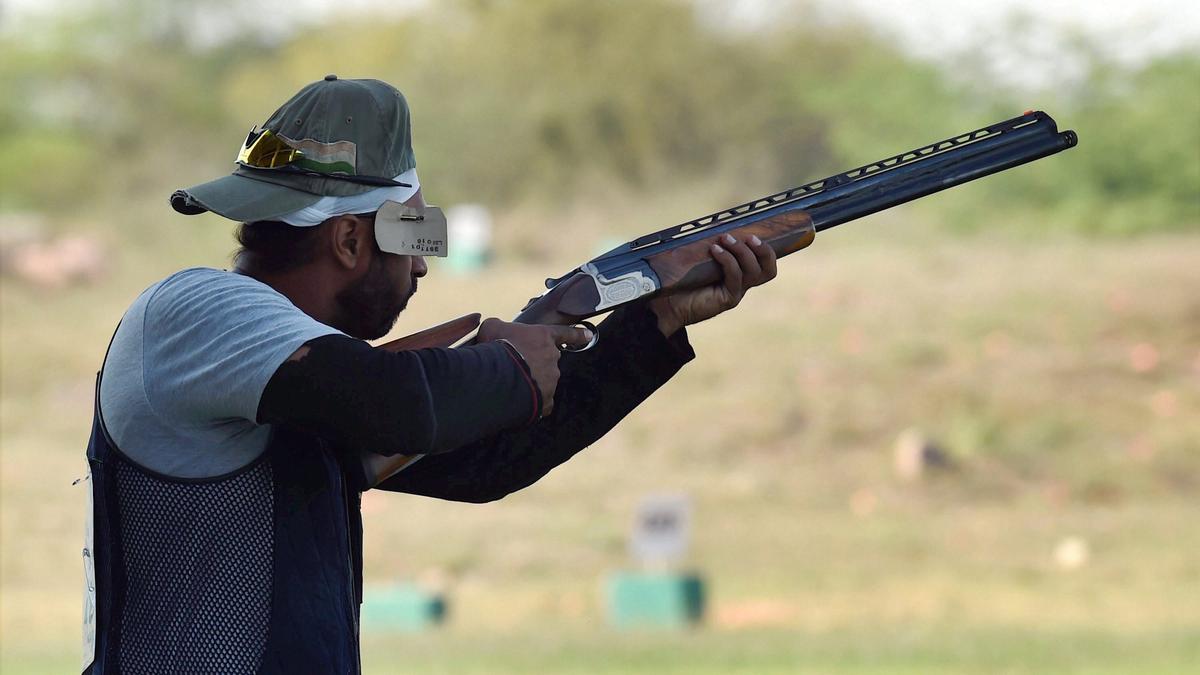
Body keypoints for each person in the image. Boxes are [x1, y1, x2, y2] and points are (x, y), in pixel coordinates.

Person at [82, 76, 777, 674]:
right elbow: (403, 406)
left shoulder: (307, 385)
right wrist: (510, 361)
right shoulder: (195, 309)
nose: (422, 262)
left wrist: (654, 323)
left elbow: (487, 461)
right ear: (351, 239)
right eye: (415, 233)